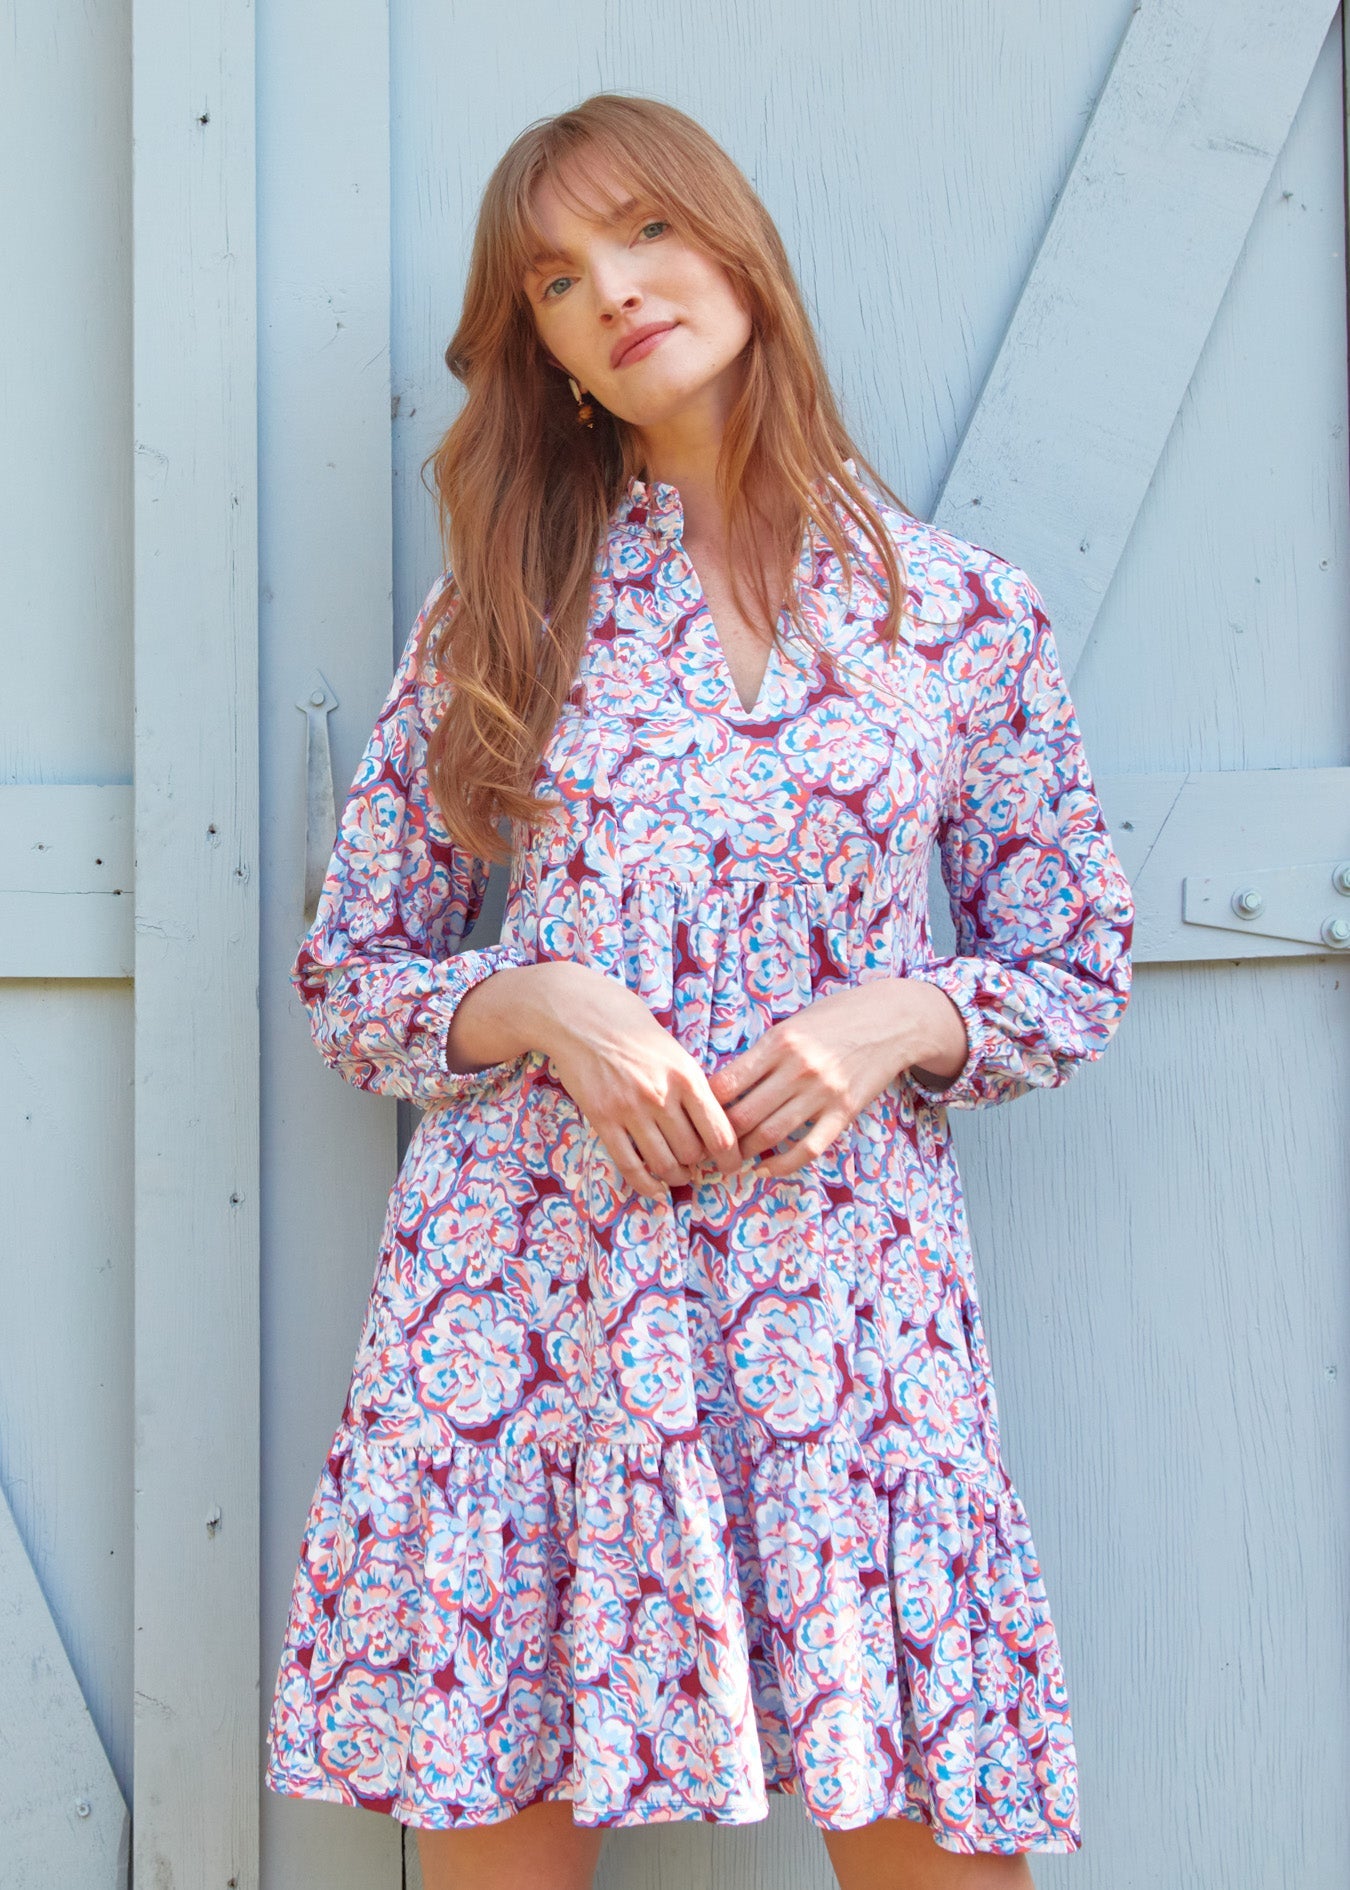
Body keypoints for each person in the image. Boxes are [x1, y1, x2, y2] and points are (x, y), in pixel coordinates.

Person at [264, 93, 1134, 1890]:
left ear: (733, 242)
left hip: (849, 1317)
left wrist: (898, 1015)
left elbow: (1071, 955)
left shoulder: (965, 617)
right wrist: (548, 1000)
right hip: (533, 1301)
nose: (613, 293)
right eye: (559, 282)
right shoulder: (510, 599)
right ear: (552, 360)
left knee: (932, 1831)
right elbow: (354, 969)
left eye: (644, 232)